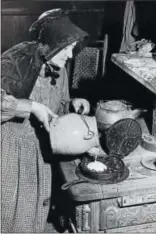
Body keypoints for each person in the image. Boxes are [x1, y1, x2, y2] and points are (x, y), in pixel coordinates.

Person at [1, 8, 90, 232]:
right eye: (66, 49)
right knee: (12, 210)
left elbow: (59, 104)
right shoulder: (15, 62)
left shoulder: (58, 67)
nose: (70, 55)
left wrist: (72, 104)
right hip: (14, 151)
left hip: (43, 150)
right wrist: (31, 106)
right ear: (51, 45)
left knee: (36, 209)